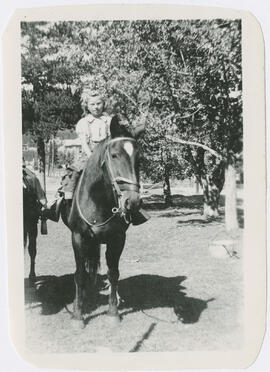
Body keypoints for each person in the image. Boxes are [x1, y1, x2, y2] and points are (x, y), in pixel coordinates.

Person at [45, 89, 149, 225]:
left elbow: (114, 141)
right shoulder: (84, 122)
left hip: (106, 155)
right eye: (92, 104)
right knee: (74, 173)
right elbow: (84, 142)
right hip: (88, 155)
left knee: (122, 172)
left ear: (103, 104)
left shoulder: (109, 120)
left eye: (99, 103)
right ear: (87, 106)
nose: (96, 107)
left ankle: (133, 208)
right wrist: (92, 157)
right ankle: (64, 200)